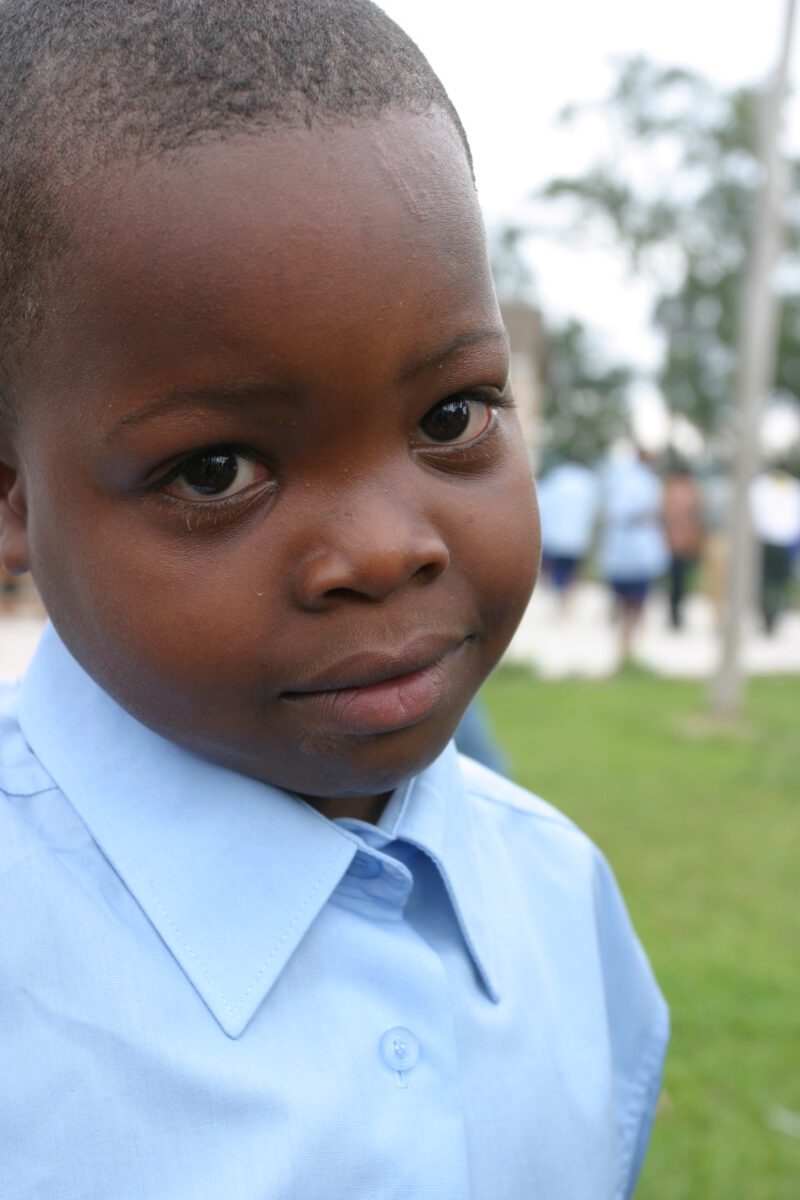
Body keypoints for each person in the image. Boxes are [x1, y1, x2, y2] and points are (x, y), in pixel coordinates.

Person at [0, 3, 668, 1197]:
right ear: (14, 501)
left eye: (450, 417)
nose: (380, 550)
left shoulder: (563, 906)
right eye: (215, 472)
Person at [598, 447, 670, 657]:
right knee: (635, 597)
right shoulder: (645, 481)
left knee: (627, 596)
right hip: (633, 547)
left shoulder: (622, 478)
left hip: (627, 547)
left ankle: (626, 636)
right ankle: (628, 636)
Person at [536, 458, 599, 608]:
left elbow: (542, 505)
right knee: (571, 569)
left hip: (557, 536)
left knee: (558, 569)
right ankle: (567, 597)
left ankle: (561, 597)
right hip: (577, 537)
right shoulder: (587, 481)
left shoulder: (556, 478)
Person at [749, 465, 800, 634]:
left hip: (785, 543)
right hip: (766, 541)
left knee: (780, 583)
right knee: (765, 581)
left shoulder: (793, 488)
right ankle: (766, 614)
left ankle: (774, 616)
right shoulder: (760, 486)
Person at [662, 460, 703, 630]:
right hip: (675, 541)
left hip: (681, 541)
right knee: (675, 580)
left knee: (679, 580)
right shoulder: (678, 490)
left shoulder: (680, 490)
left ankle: (676, 614)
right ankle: (674, 614)